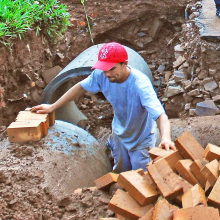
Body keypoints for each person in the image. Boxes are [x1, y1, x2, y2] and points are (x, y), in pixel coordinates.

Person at [31, 42, 175, 171]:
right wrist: (53, 107)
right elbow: (80, 87)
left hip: (141, 139)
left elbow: (160, 115)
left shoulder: (140, 85)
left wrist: (166, 138)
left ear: (124, 63)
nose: (107, 74)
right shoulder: (101, 74)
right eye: (104, 69)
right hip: (119, 134)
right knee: (121, 173)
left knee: (142, 178)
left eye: (112, 69)